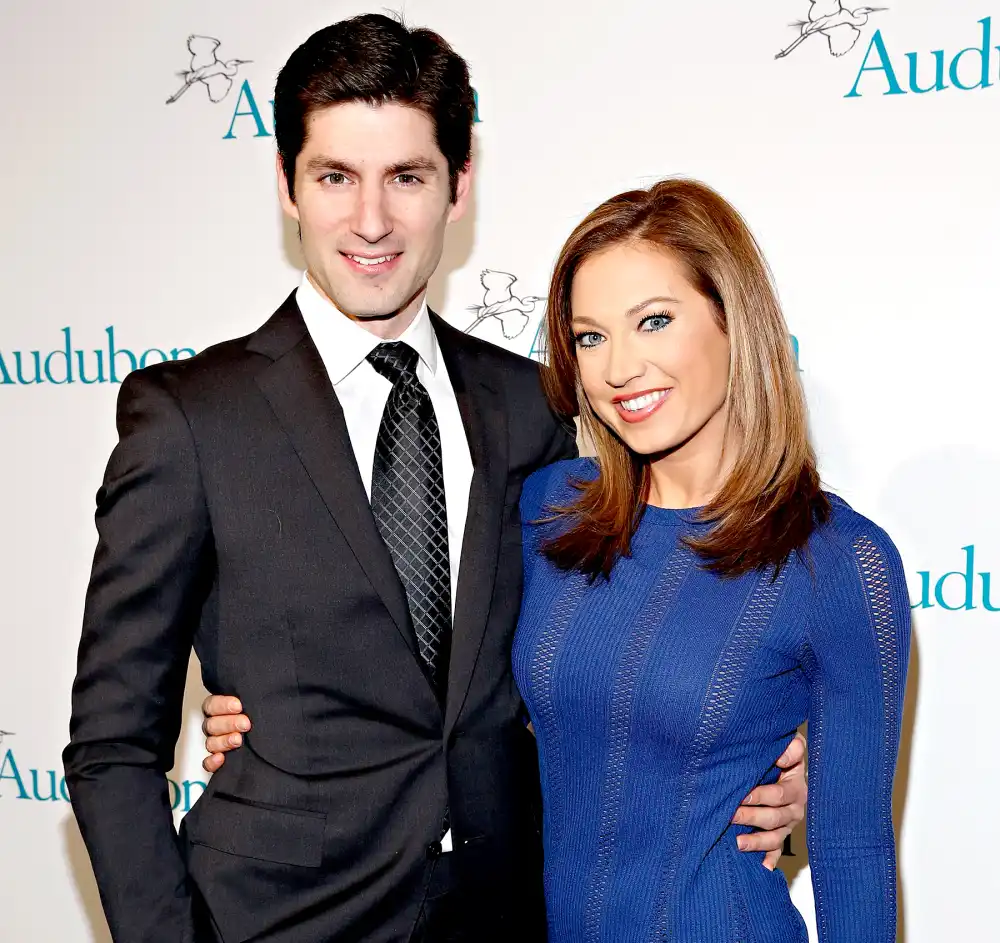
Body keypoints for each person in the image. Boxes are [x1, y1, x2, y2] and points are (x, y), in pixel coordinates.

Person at [63, 14, 805, 943]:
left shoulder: (535, 405)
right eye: (336, 176)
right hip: (276, 920)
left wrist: (771, 752)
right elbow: (112, 743)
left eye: (405, 177)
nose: (370, 221)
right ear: (289, 185)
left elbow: (628, 638)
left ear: (459, 185)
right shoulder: (189, 417)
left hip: (503, 915)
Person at [511, 178, 908, 940]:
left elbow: (853, 848)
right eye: (590, 337)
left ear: (734, 323)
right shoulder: (550, 508)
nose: (618, 368)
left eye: (653, 321)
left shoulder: (839, 562)